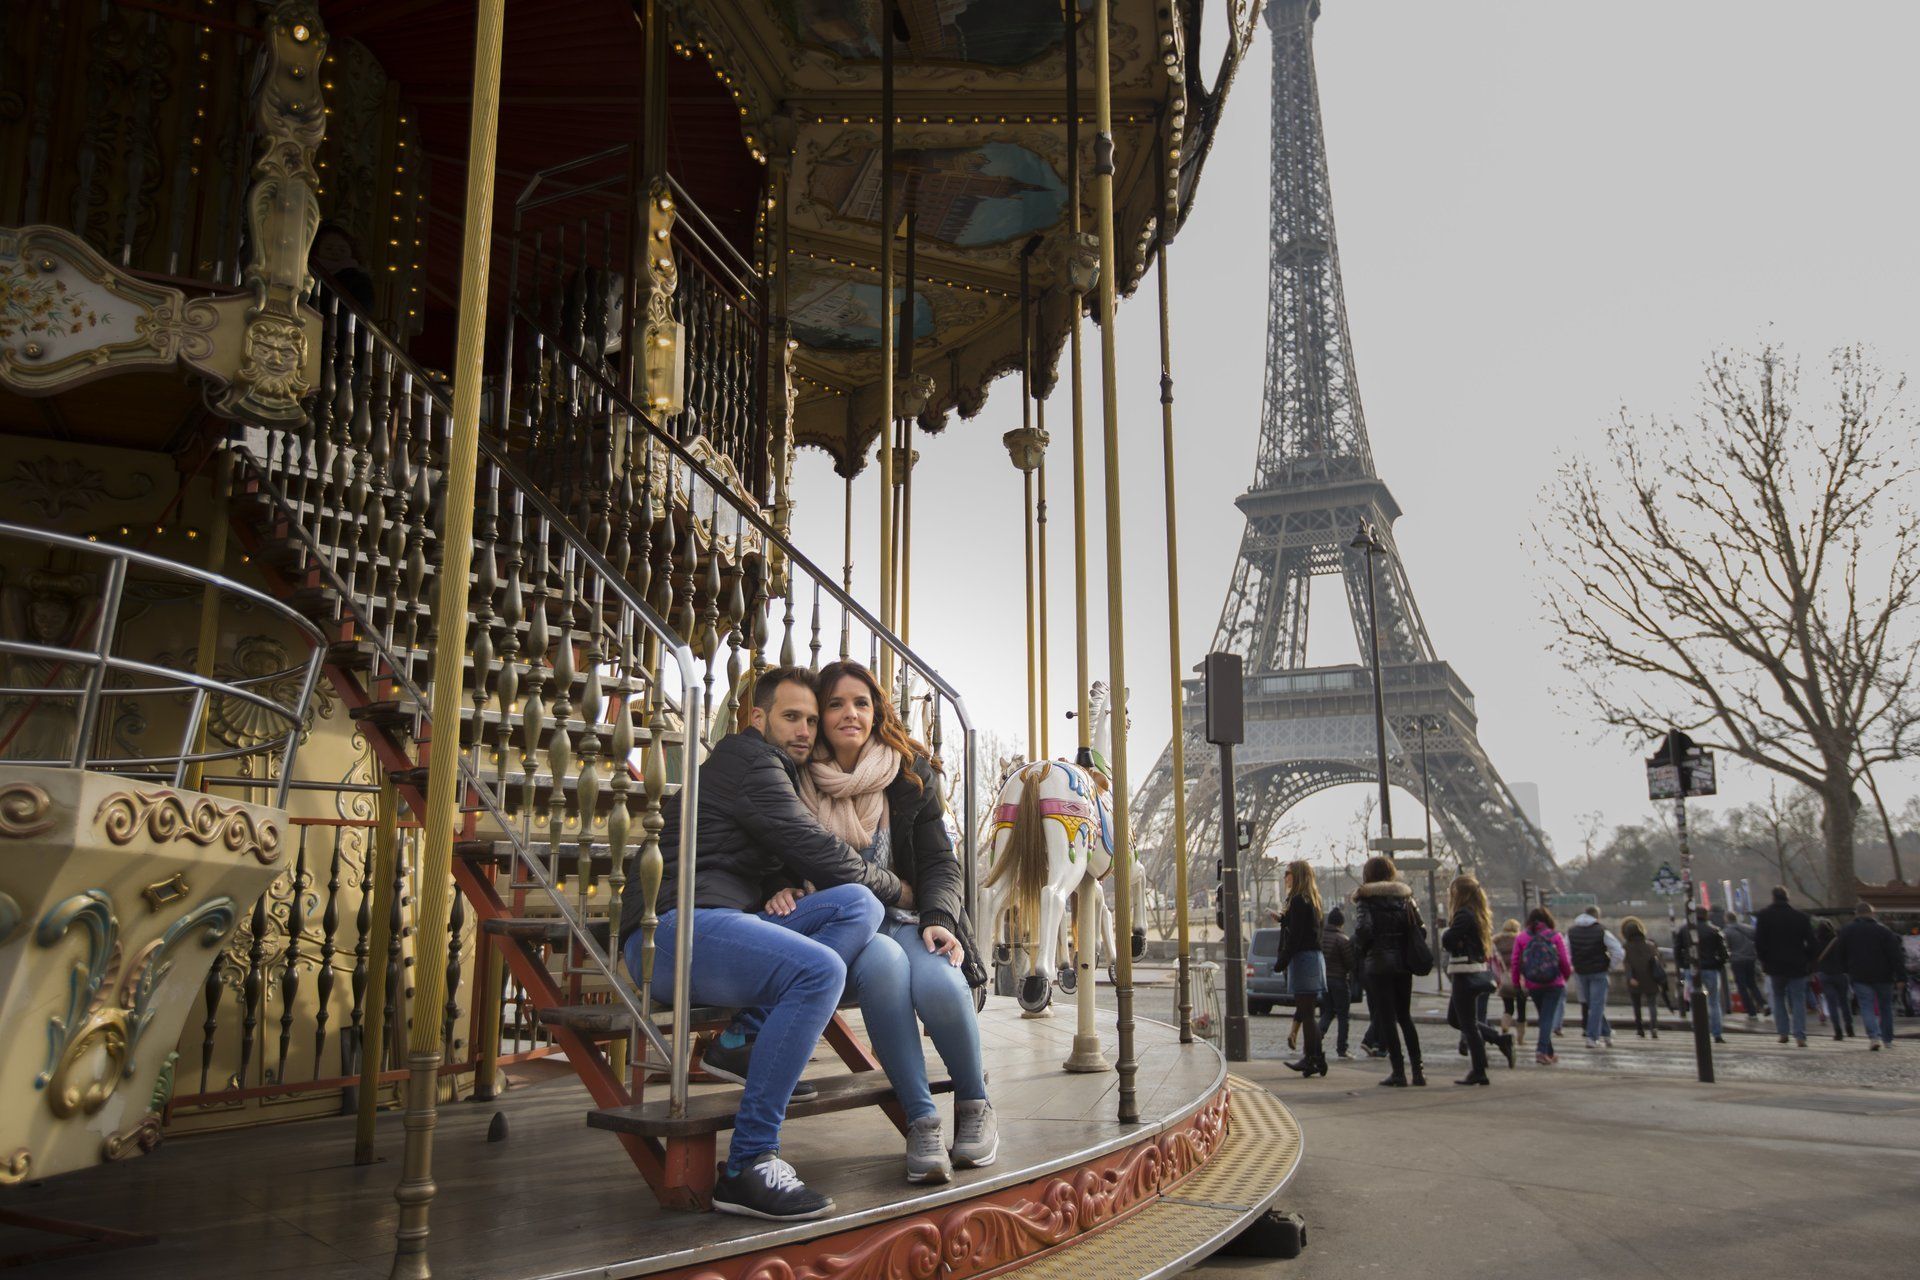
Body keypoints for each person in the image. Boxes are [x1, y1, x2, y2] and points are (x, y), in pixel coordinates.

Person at [620, 665, 908, 1220]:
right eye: (790, 717)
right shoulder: (750, 760)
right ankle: (748, 1163)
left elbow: (779, 849)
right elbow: (815, 846)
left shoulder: (767, 769)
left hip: (718, 922)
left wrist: (778, 884)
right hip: (670, 933)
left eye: (808, 720)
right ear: (758, 719)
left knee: (859, 905)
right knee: (821, 969)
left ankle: (739, 1042)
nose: (804, 730)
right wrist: (902, 887)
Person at [793, 660, 993, 1184]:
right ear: (819, 714)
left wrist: (938, 915)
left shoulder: (907, 778)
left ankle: (975, 1102)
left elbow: (939, 862)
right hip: (843, 928)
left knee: (939, 981)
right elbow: (780, 853)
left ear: (877, 712)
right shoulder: (797, 779)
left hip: (909, 918)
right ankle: (922, 1120)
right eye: (835, 703)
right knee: (883, 967)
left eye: (860, 702)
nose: (849, 714)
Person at [1351, 856, 1425, 1087]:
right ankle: (1418, 1071)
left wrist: (1360, 948)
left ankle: (1398, 1072)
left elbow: (1364, 929)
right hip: (1403, 964)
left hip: (1379, 964)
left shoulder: (1366, 898)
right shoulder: (1405, 897)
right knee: (1405, 1017)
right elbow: (1420, 929)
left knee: (1387, 1019)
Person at [1440, 876, 1515, 1085]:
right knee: (1458, 1019)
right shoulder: (1477, 913)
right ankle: (1499, 1040)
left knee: (1467, 1024)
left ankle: (1480, 1069)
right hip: (1473, 970)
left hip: (1464, 972)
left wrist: (1447, 933)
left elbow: (1448, 940)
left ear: (1460, 894)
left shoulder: (1463, 914)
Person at [1275, 860, 1330, 1077]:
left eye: (1287, 873)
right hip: (1314, 959)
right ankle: (1316, 1057)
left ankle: (1312, 1058)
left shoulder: (1298, 900)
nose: (1284, 877)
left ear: (1295, 875)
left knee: (1306, 1013)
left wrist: (1282, 961)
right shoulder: (1313, 900)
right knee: (1308, 1013)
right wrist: (1284, 919)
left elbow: (1296, 937)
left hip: (1303, 960)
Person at [1753, 885, 1818, 1047]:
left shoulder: (1764, 916)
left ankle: (1783, 1032)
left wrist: (1764, 960)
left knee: (1778, 997)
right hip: (1797, 964)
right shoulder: (1801, 917)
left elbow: (1759, 942)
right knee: (1798, 999)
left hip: (1774, 965)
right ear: (1788, 898)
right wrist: (1808, 959)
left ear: (1773, 898)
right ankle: (1800, 1034)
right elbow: (1812, 942)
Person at [1836, 903, 1904, 1050]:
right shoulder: (1884, 931)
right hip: (1884, 975)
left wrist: (1846, 969)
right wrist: (1901, 977)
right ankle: (1887, 1039)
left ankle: (1873, 1037)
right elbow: (1895, 956)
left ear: (1856, 914)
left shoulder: (1847, 931)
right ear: (1872, 913)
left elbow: (1840, 953)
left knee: (1866, 1006)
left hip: (1859, 974)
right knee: (1885, 1007)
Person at [1511, 907, 1572, 1065]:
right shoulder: (1555, 936)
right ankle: (1541, 1051)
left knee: (1544, 1017)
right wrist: (1564, 977)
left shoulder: (1522, 938)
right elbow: (1564, 961)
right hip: (1554, 983)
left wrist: (1517, 982)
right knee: (1547, 1018)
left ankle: (1549, 1052)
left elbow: (1515, 962)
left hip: (1533, 983)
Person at [1567, 906, 1625, 1048]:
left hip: (1581, 972)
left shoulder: (1571, 932)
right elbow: (1618, 952)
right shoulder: (1602, 931)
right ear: (1597, 917)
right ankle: (1592, 1037)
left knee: (1591, 1005)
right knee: (1597, 1005)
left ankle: (1607, 1033)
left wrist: (1573, 964)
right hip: (1599, 971)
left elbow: (1566, 951)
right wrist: (1609, 966)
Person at [1674, 906, 1729, 1043]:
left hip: (1692, 969)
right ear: (1706, 916)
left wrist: (1683, 964)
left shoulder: (1685, 930)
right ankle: (1717, 1033)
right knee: (1714, 1002)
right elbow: (1723, 954)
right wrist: (1718, 965)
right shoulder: (1714, 930)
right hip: (1710, 968)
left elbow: (1677, 950)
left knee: (1694, 1002)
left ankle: (1699, 1031)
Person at [1317, 907, 1357, 1059]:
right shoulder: (1342, 939)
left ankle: (1316, 1039)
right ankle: (1342, 1048)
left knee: (1327, 1012)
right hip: (1339, 980)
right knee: (1343, 1016)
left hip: (1325, 980)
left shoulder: (1321, 937)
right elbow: (1350, 963)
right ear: (1341, 923)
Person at [1621, 917, 1665, 1039]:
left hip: (1635, 980)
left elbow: (1627, 965)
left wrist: (1630, 978)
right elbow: (1659, 962)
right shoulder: (1651, 945)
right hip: (1651, 979)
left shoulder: (1626, 947)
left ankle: (1640, 1029)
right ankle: (1654, 1027)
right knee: (1652, 1004)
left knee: (1637, 1005)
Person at [1813, 917, 1854, 1041]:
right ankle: (1849, 1027)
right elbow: (1847, 955)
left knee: (1831, 1004)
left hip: (1825, 975)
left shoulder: (1817, 942)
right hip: (1841, 974)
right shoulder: (1839, 941)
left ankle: (1837, 1030)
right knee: (1844, 1002)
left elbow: (1814, 958)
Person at [1725, 910, 1768, 1018]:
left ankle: (1751, 1011)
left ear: (1727, 919)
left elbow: (1727, 947)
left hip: (1737, 960)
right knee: (1752, 984)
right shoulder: (1749, 928)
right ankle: (1763, 1004)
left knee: (1742, 986)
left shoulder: (1727, 931)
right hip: (1751, 959)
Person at [1493, 917, 1526, 1037]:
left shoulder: (1496, 940)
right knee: (1521, 1009)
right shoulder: (1520, 940)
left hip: (1504, 979)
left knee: (1508, 1008)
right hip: (1519, 979)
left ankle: (1505, 1027)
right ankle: (1520, 1038)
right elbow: (1523, 961)